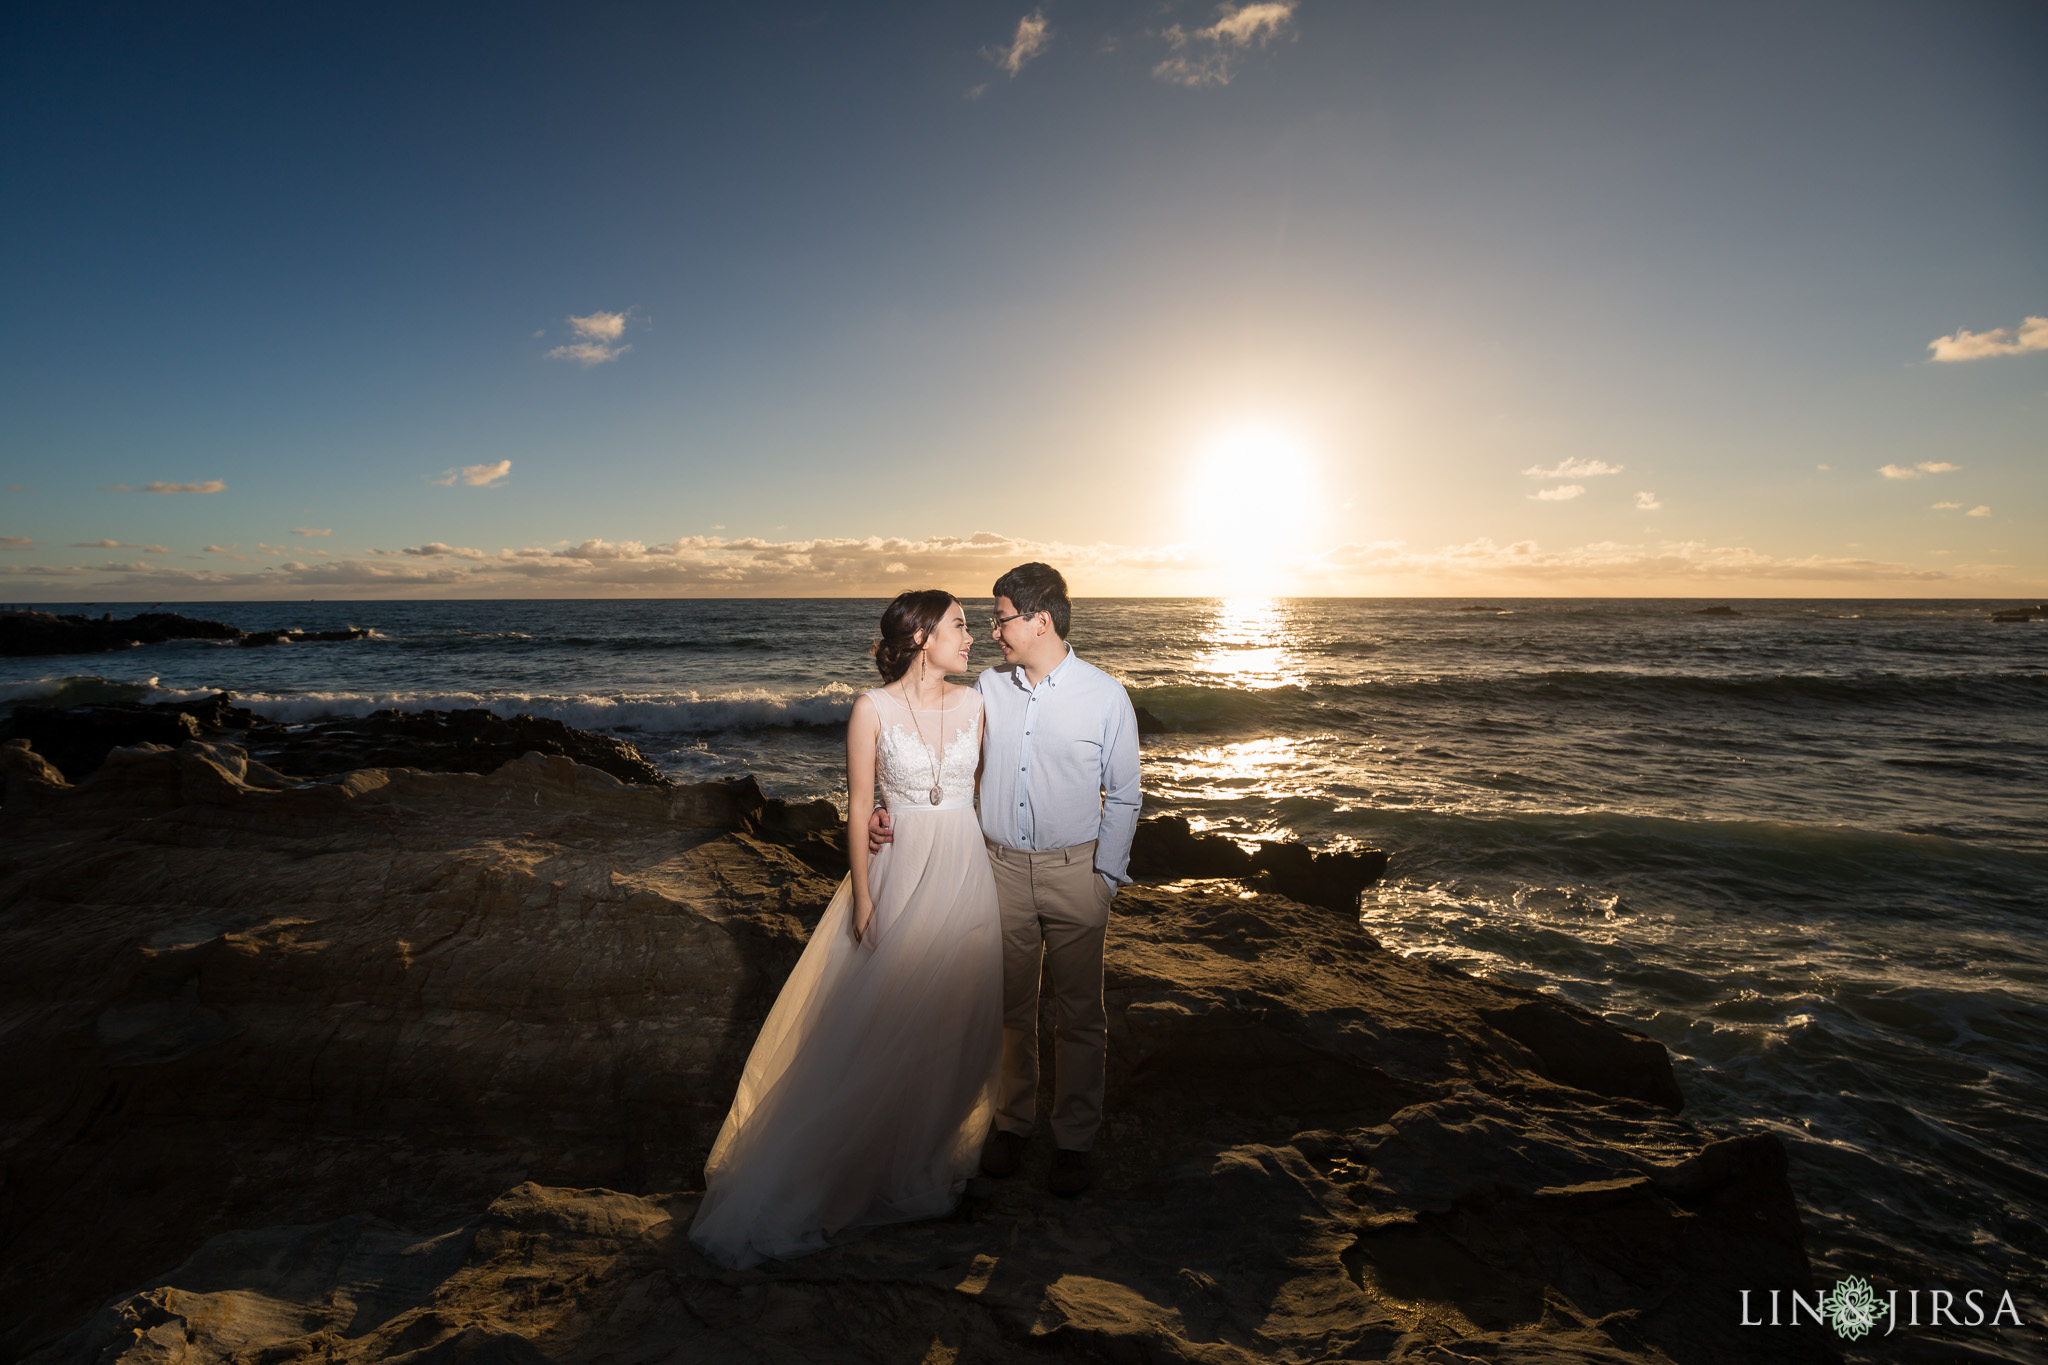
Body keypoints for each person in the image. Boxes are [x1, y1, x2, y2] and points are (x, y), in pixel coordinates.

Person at [689, 590, 1002, 1269]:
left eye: (972, 627)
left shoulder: (978, 704)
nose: (970, 637)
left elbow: (974, 793)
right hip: (898, 871)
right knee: (879, 1019)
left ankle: (919, 1159)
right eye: (959, 625)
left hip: (965, 867)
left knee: (953, 1016)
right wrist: (864, 898)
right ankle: (842, 1173)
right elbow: (860, 806)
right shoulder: (872, 709)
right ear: (921, 635)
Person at [870, 562, 1141, 1196]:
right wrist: (889, 805)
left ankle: (1074, 1139)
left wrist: (1105, 877)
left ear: (1039, 621)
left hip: (1077, 872)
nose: (992, 631)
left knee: (1080, 1014)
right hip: (997, 872)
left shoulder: (1105, 696)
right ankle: (1013, 1124)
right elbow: (928, 736)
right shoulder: (988, 688)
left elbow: (1125, 795)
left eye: (1000, 618)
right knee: (1010, 1009)